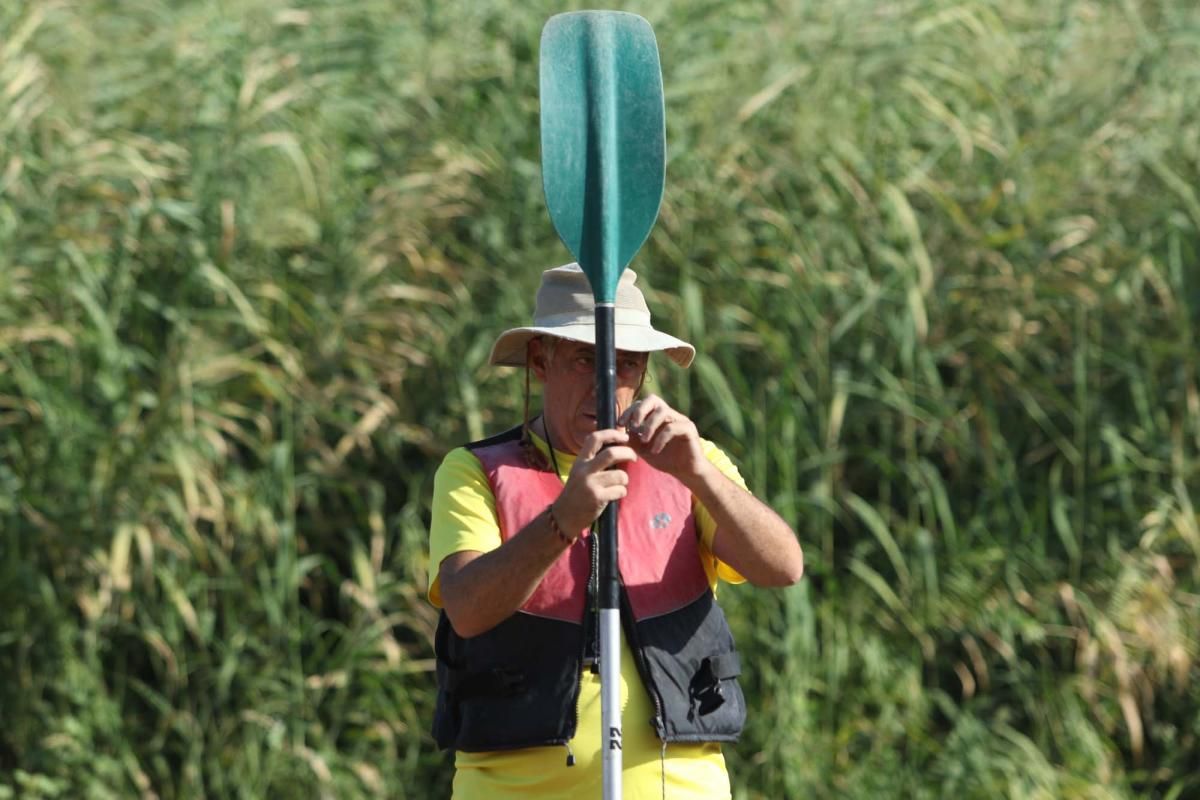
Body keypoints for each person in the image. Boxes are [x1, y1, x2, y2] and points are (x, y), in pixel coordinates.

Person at [427, 263, 803, 799]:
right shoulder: (475, 471)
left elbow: (783, 566)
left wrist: (699, 473)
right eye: (587, 359)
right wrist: (564, 518)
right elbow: (466, 607)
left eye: (627, 364)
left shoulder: (693, 464)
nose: (609, 383)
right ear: (540, 361)